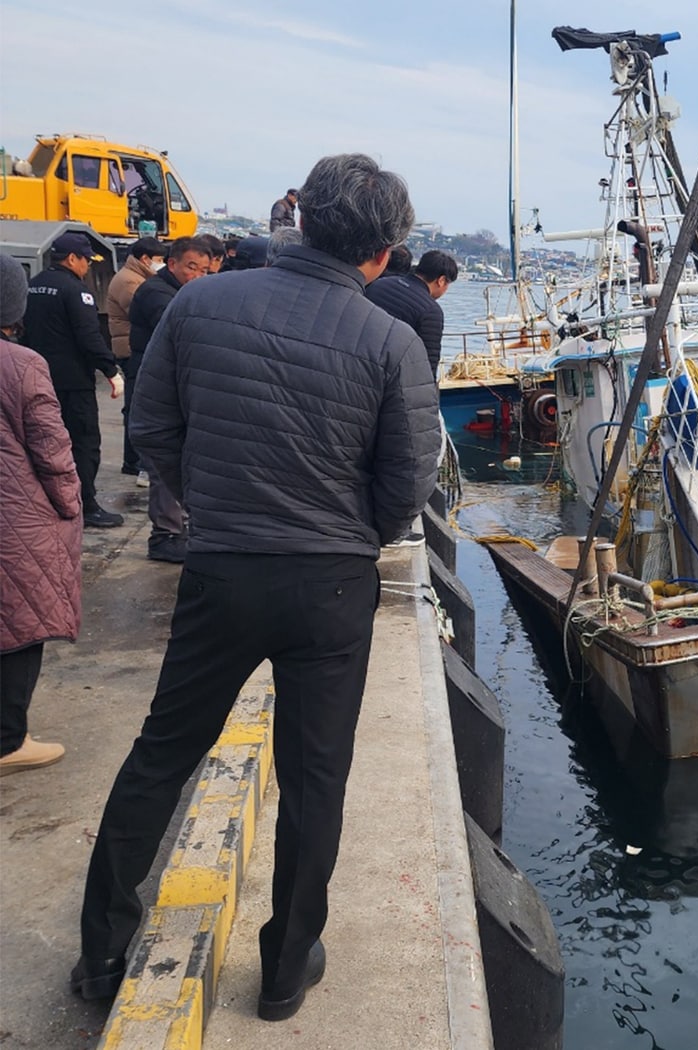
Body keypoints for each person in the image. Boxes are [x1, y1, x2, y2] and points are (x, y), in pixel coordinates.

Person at [72, 153, 439, 1023]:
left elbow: (154, 425)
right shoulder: (389, 339)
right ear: (382, 254)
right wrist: (356, 535)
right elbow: (408, 481)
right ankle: (283, 971)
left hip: (223, 568)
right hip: (333, 585)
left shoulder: (199, 302)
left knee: (165, 749)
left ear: (300, 222)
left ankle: (100, 956)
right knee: (316, 778)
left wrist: (214, 505)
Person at [0, 254, 81, 776]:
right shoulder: (22, 363)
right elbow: (52, 452)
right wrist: (70, 507)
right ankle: (8, 741)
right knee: (17, 625)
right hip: (15, 517)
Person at [22, 230, 125, 527]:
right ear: (72, 258)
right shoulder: (76, 291)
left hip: (37, 380)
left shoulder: (33, 285)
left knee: (41, 443)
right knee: (83, 443)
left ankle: (44, 502)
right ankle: (85, 504)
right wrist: (110, 369)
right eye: (86, 261)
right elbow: (89, 338)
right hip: (73, 384)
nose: (88, 266)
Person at [127, 237, 213, 563]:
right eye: (192, 267)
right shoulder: (156, 293)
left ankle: (178, 528)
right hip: (155, 388)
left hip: (176, 387)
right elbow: (187, 332)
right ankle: (164, 535)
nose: (197, 276)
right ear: (172, 263)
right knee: (162, 460)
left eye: (204, 270)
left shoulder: (181, 293)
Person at [105, 236, 166, 484]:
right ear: (145, 259)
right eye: (159, 260)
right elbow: (143, 311)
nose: (160, 264)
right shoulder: (130, 281)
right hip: (131, 349)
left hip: (131, 347)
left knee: (134, 407)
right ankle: (135, 462)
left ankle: (132, 461)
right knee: (136, 407)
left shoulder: (137, 277)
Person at [365, 247, 458, 376]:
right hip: (387, 375)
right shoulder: (431, 311)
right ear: (441, 281)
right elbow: (428, 363)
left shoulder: (378, 284)